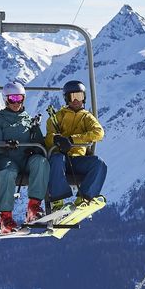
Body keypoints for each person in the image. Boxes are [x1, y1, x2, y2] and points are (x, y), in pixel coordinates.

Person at [0, 81, 50, 234]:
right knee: (7, 172)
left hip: (24, 159)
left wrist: (34, 148)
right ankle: (6, 217)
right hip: (7, 158)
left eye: (19, 98)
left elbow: (40, 144)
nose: (16, 102)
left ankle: (33, 207)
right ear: (6, 100)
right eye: (12, 99)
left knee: (41, 162)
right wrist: (5, 144)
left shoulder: (29, 120)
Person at [45, 80, 107, 211]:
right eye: (72, 97)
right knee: (56, 159)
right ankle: (57, 201)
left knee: (99, 164)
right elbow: (48, 138)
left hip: (77, 159)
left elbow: (98, 133)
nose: (76, 100)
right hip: (61, 158)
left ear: (84, 97)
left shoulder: (86, 117)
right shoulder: (57, 117)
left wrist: (73, 140)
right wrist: (57, 139)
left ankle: (84, 198)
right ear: (67, 98)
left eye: (79, 96)